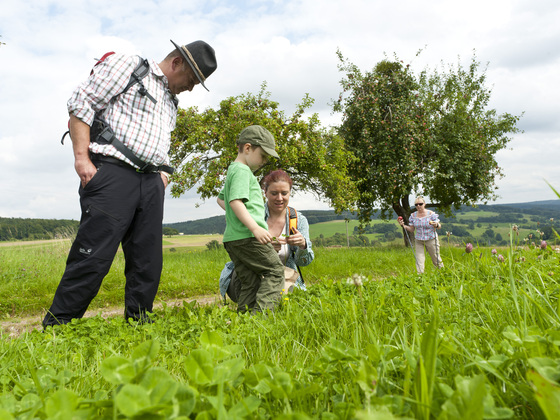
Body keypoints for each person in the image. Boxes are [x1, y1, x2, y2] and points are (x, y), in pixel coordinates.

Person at [43, 40, 217, 327]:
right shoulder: (130, 67)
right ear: (176, 63)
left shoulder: (171, 101)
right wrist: (82, 159)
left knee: (148, 261)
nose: (191, 88)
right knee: (93, 256)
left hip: (150, 183)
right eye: (192, 79)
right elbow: (82, 101)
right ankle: (57, 326)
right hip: (113, 174)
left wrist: (162, 175)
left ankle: (138, 324)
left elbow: (160, 142)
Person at [217, 125, 285, 313]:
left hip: (234, 239)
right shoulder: (242, 171)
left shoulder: (234, 170)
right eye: (263, 155)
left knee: (250, 281)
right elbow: (235, 201)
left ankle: (246, 322)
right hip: (248, 237)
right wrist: (254, 227)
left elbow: (222, 199)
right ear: (248, 148)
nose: (264, 161)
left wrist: (237, 215)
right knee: (275, 271)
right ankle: (261, 318)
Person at [219, 170, 314, 300]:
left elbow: (303, 263)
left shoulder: (298, 220)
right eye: (274, 193)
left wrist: (303, 245)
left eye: (284, 193)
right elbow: (238, 251)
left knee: (284, 298)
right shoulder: (250, 216)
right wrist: (264, 249)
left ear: (290, 193)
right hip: (250, 276)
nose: (279, 198)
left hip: (286, 277)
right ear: (265, 193)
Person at [398, 196, 443, 274]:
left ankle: (442, 274)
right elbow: (412, 229)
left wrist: (436, 225)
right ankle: (420, 278)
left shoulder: (431, 214)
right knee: (419, 261)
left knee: (436, 259)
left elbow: (439, 226)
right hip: (419, 240)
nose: (418, 206)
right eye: (416, 205)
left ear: (424, 204)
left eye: (420, 204)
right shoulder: (413, 216)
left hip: (431, 239)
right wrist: (403, 226)